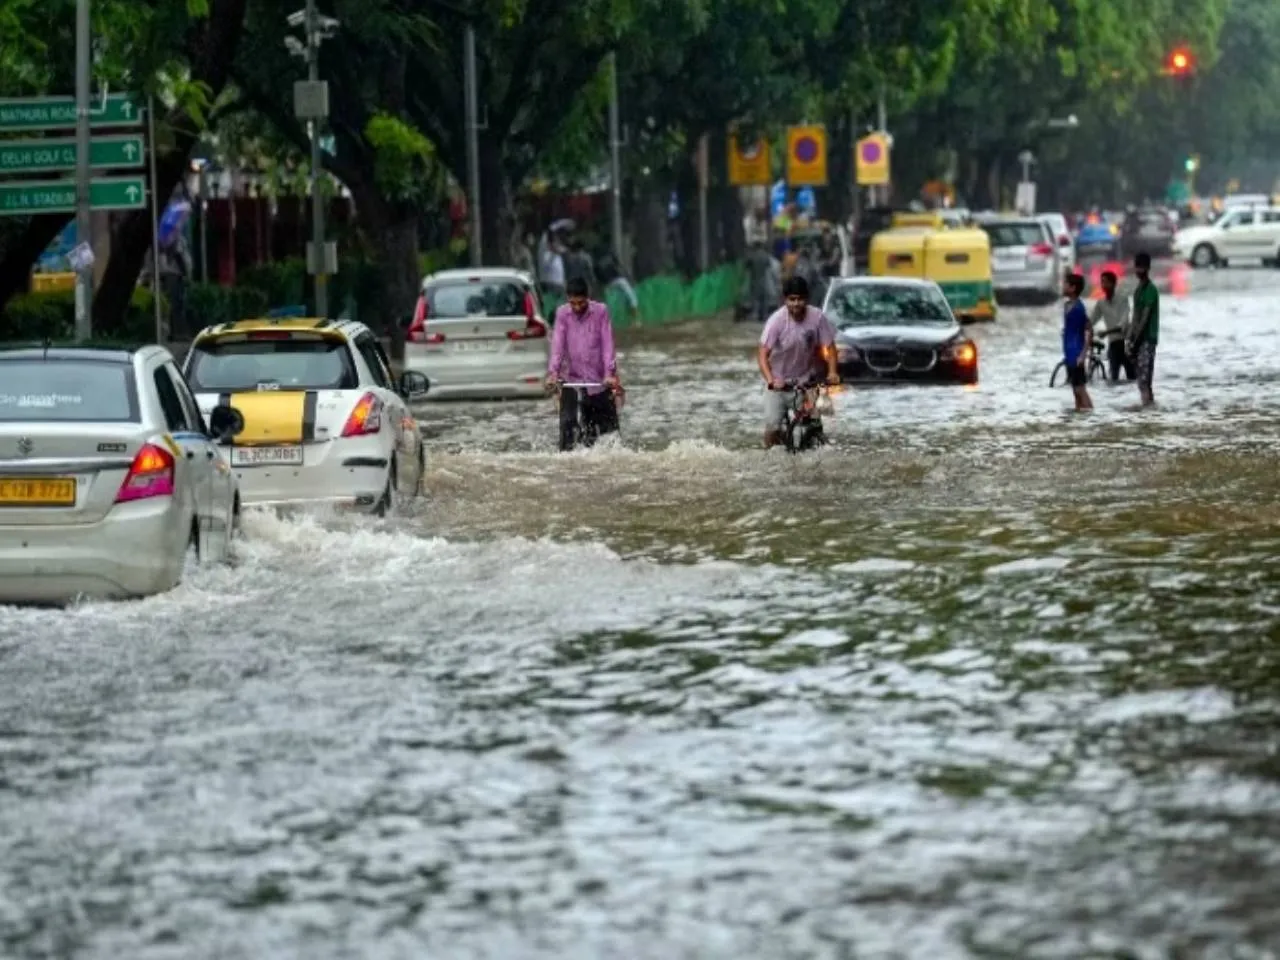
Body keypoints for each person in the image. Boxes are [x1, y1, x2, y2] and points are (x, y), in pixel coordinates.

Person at [757, 275, 840, 449]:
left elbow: (831, 348)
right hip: (778, 383)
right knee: (773, 426)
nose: (796, 304)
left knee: (814, 425)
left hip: (806, 383)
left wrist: (832, 372)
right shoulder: (776, 321)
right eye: (792, 299)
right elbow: (762, 355)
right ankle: (768, 455)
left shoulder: (817, 318)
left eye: (800, 299)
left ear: (807, 299)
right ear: (785, 300)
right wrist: (771, 380)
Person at [546, 277, 621, 451]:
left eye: (581, 303)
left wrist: (609, 373)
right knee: (568, 436)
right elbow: (558, 345)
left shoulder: (601, 312)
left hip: (599, 382)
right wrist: (553, 373)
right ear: (568, 299)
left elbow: (607, 344)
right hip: (572, 381)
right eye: (573, 303)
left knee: (610, 438)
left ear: (588, 297)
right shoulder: (562, 314)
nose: (577, 307)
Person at [1126, 252, 1159, 406]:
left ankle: (1147, 408)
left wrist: (1136, 341)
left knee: (1145, 381)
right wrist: (1129, 338)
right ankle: (1149, 408)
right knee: (1141, 381)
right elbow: (1135, 317)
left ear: (1148, 268)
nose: (1139, 270)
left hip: (1148, 339)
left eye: (1142, 267)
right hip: (1138, 340)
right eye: (1137, 267)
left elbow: (1145, 319)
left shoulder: (1151, 290)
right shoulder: (1138, 291)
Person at [1090, 269, 1133, 381]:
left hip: (1126, 343)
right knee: (1114, 377)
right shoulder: (1101, 303)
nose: (1103, 285)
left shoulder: (1123, 300)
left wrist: (1106, 332)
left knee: (1132, 376)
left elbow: (1123, 324)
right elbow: (1092, 320)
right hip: (1113, 343)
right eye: (1102, 282)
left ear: (1114, 284)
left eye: (1106, 282)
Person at [1062, 272, 1093, 412]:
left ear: (1073, 288)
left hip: (1077, 353)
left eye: (1066, 284)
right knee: (1075, 389)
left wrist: (1083, 354)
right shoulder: (1067, 306)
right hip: (1069, 353)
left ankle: (1090, 414)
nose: (1063, 286)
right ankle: (1079, 414)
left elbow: (1089, 329)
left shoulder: (1079, 308)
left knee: (1080, 388)